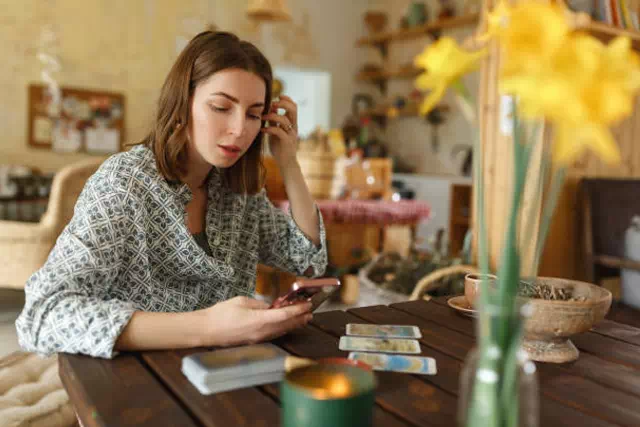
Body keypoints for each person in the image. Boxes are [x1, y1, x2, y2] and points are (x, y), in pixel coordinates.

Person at [16, 31, 327, 359]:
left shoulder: (237, 192)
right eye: (221, 107)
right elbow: (42, 315)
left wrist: (288, 162)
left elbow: (307, 260)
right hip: (130, 380)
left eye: (253, 114)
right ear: (183, 103)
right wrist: (210, 326)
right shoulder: (125, 183)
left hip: (220, 374)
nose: (239, 129)